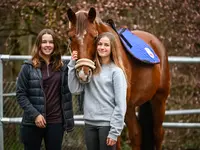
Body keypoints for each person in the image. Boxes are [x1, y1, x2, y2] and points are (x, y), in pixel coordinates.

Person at [16, 28, 74, 150]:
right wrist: (35, 115)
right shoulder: (28, 67)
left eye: (51, 42)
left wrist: (75, 60)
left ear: (55, 45)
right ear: (39, 44)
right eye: (44, 42)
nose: (48, 45)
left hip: (56, 122)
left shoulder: (62, 67)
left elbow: (74, 84)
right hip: (33, 122)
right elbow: (21, 94)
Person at [68, 32, 127, 150]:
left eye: (106, 45)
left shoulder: (116, 72)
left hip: (107, 125)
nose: (102, 47)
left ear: (112, 48)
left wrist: (114, 132)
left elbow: (121, 105)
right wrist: (72, 64)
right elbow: (74, 89)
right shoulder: (90, 69)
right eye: (100, 44)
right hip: (89, 123)